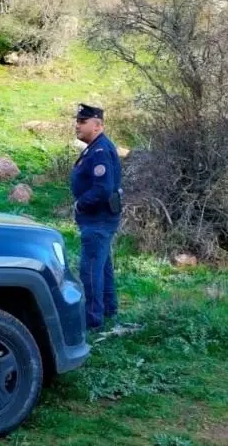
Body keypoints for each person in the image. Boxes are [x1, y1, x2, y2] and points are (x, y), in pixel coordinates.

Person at [69, 103, 123, 332]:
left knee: (90, 269)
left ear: (97, 125)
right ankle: (108, 310)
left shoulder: (100, 150)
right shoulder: (95, 147)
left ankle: (92, 320)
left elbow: (103, 188)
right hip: (99, 218)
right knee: (102, 267)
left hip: (98, 219)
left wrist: (80, 203)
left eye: (83, 122)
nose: (77, 125)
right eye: (77, 121)